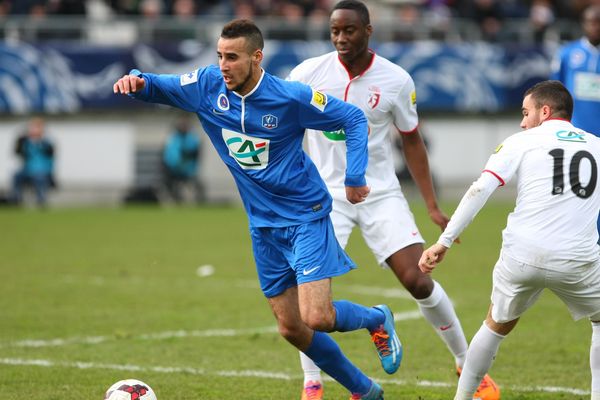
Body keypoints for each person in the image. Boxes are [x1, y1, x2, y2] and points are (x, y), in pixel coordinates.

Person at [113, 18, 401, 400]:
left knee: (317, 316)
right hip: (262, 226)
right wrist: (135, 81)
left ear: (257, 57)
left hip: (305, 215)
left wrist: (354, 174)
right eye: (219, 56)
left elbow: (351, 117)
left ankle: (377, 318)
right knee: (292, 328)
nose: (223, 65)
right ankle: (365, 391)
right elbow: (158, 85)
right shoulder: (206, 86)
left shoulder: (290, 97)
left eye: (232, 57)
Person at [286, 2, 499, 400]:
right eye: (334, 31)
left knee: (418, 278)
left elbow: (412, 140)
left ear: (368, 30)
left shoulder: (397, 80)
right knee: (310, 289)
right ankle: (311, 383)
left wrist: (432, 206)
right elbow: (287, 129)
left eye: (349, 31)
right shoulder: (307, 74)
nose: (340, 39)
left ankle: (467, 364)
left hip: (379, 193)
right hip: (323, 197)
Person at [418, 80, 600, 400]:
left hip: (523, 255)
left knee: (495, 324)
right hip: (578, 259)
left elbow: (480, 189)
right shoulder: (596, 146)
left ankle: (462, 398)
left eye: (525, 112)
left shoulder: (522, 141)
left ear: (545, 112)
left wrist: (444, 241)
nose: (521, 121)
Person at [551, 4, 600, 137]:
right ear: (583, 24)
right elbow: (555, 87)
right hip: (575, 125)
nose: (596, 27)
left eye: (599, 22)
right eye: (592, 22)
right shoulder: (566, 52)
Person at [11, 117, 56, 207]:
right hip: (27, 170)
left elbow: (51, 158)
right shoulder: (25, 142)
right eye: (32, 128)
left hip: (42, 171)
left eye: (37, 128)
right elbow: (17, 152)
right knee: (16, 176)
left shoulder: (46, 143)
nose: (34, 130)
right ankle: (17, 199)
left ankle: (41, 199)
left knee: (39, 177)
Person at [162, 116, 205, 204]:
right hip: (174, 170)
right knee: (170, 185)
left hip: (188, 169)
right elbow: (170, 155)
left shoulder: (192, 138)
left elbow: (196, 152)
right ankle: (175, 200)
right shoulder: (173, 138)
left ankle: (197, 201)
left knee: (197, 186)